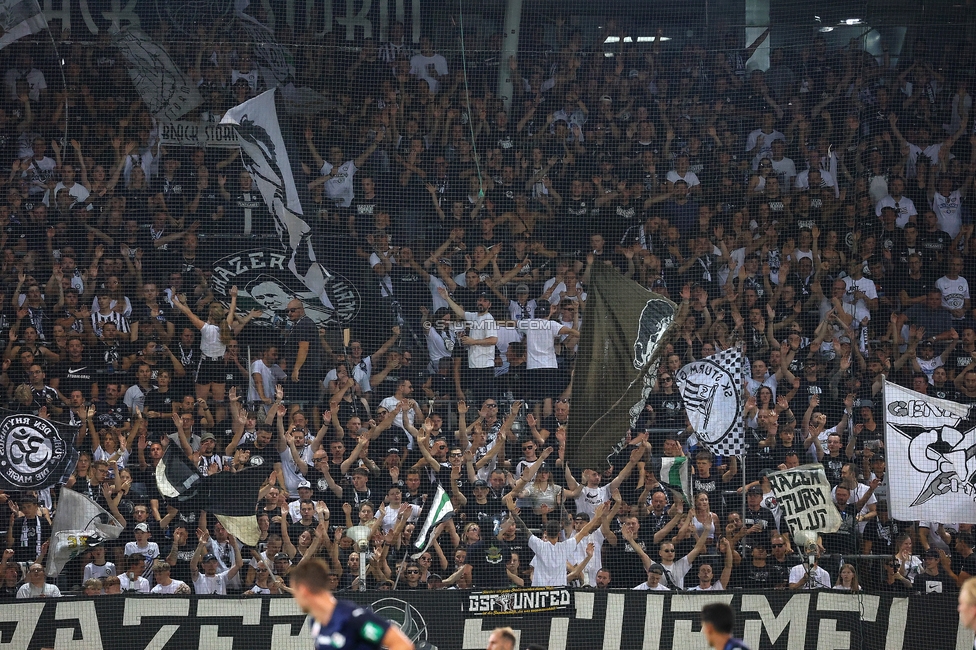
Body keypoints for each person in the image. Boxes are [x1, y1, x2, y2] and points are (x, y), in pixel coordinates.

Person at [289, 558, 414, 650]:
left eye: (295, 592)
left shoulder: (351, 617)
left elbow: (402, 645)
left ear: (303, 590)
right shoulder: (316, 622)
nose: (295, 598)